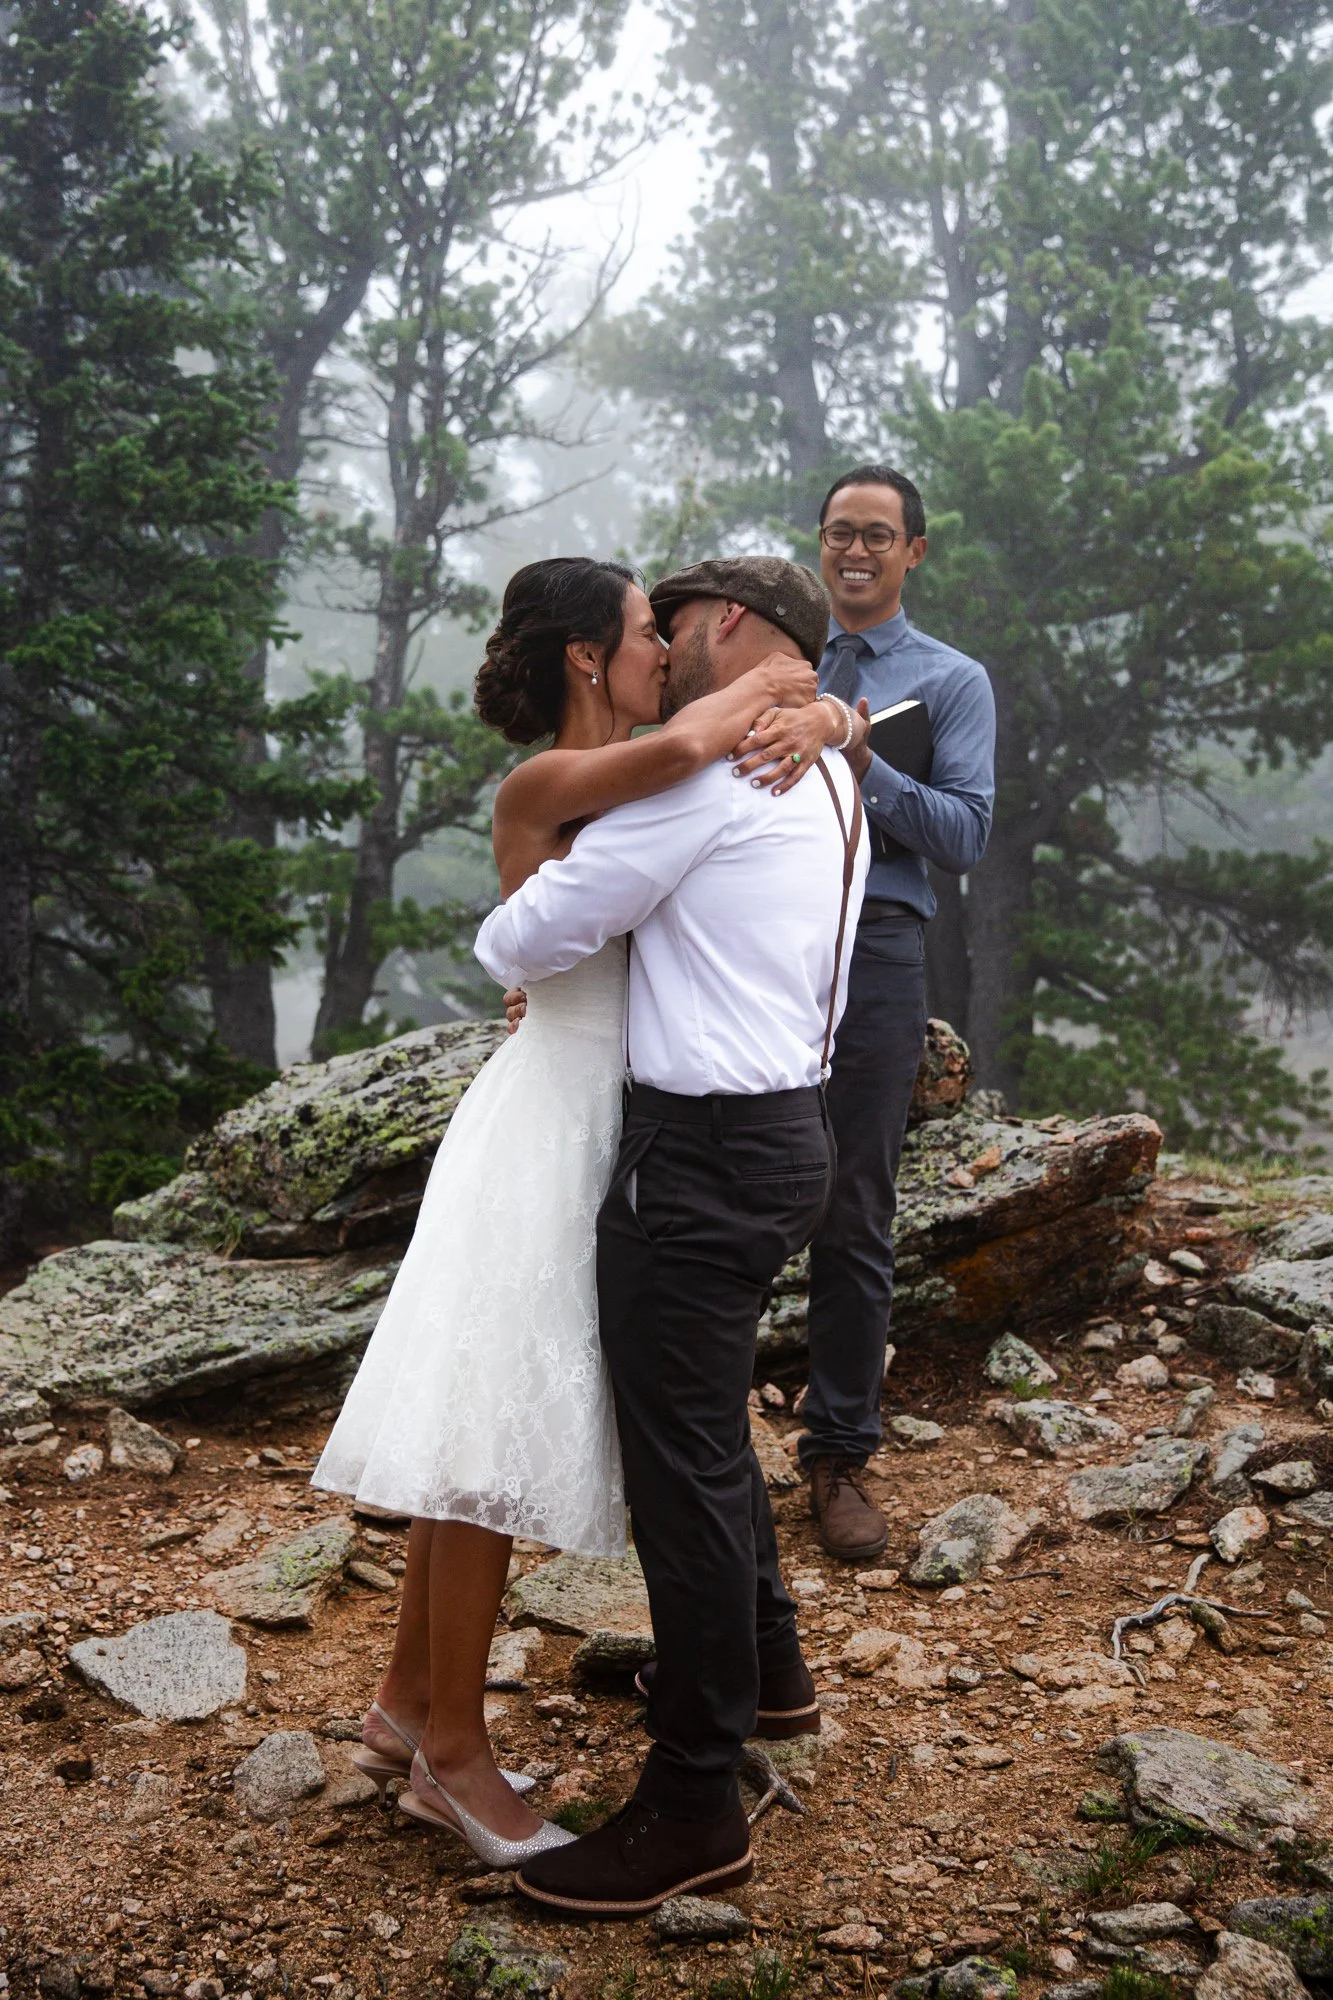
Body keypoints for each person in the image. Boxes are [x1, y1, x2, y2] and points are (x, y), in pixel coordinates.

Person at [310, 555, 842, 1869]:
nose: (664, 648)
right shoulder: (555, 781)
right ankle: (455, 1760)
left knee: (472, 1435)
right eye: (641, 635)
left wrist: (832, 712)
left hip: (613, 1120)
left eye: (674, 631)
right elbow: (703, 746)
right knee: (480, 1449)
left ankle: (402, 1708)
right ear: (589, 663)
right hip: (551, 1126)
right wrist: (801, 692)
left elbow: (710, 755)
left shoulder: (666, 766)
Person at [475, 556, 869, 1918]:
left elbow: (528, 933)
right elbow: (854, 725)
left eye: (677, 624)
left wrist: (531, 887)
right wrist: (829, 714)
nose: (667, 645)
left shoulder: (711, 777)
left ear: (735, 633)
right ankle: (768, 1670)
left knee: (682, 1468)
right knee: (709, 1432)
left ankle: (693, 1799)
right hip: (786, 1135)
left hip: (698, 1159)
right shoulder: (823, 766)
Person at [731, 465, 996, 1560]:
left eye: (878, 534)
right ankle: (703, 1445)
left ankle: (838, 1453)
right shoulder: (766, 664)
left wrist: (861, 753)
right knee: (731, 1174)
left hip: (878, 944)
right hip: (755, 939)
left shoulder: (950, 680)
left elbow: (967, 833)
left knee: (854, 1200)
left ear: (913, 552)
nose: (855, 550)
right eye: (840, 531)